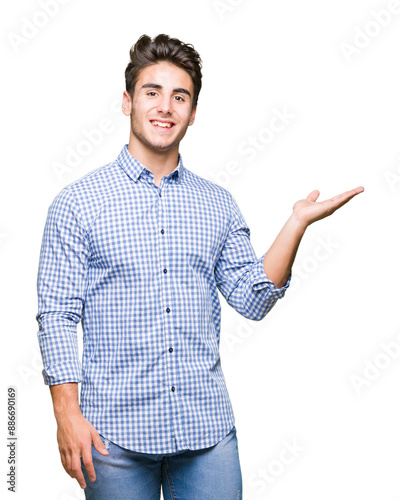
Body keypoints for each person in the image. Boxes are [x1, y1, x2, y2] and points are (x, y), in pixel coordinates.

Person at [36, 33, 364, 500]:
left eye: (180, 96)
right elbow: (57, 315)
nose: (165, 106)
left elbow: (253, 298)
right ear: (128, 102)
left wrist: (296, 223)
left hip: (206, 433)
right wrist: (66, 415)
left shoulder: (218, 205)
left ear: (193, 113)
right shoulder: (76, 204)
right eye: (152, 92)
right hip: (112, 437)